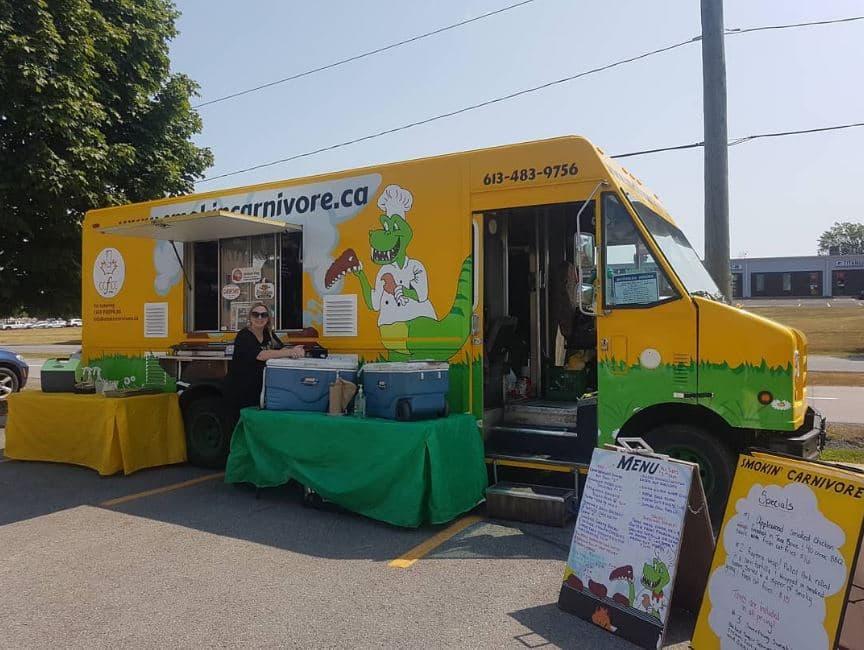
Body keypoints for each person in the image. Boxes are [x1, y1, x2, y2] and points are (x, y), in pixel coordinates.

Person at [225, 302, 305, 416]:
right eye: (255, 314)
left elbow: (280, 350)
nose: (259, 318)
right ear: (250, 317)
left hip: (258, 389)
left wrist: (296, 350)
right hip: (240, 391)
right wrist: (291, 352)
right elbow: (261, 355)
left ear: (268, 318)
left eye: (264, 315)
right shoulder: (244, 335)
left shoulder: (268, 334)